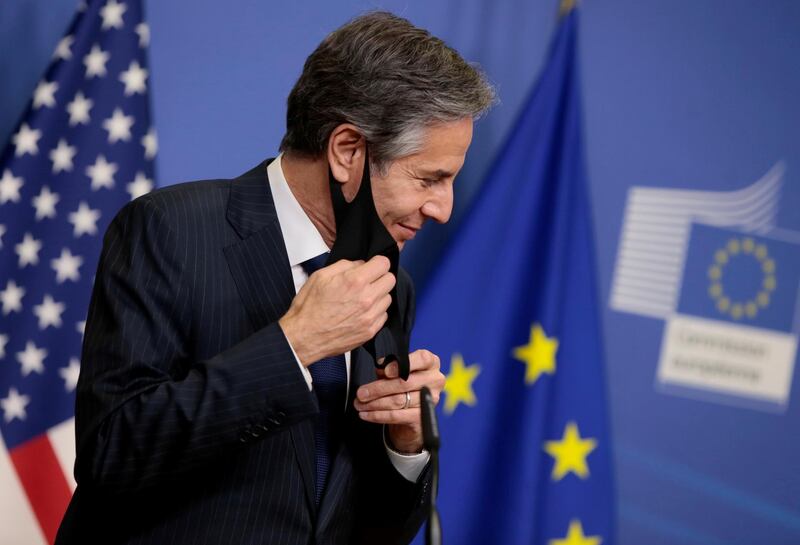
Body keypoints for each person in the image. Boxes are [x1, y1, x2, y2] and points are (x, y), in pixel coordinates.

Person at [55, 11, 495, 545]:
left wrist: (404, 446)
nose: (443, 209)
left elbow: (368, 531)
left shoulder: (388, 284)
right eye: (430, 178)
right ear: (347, 151)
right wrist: (294, 346)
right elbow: (112, 456)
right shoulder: (170, 228)